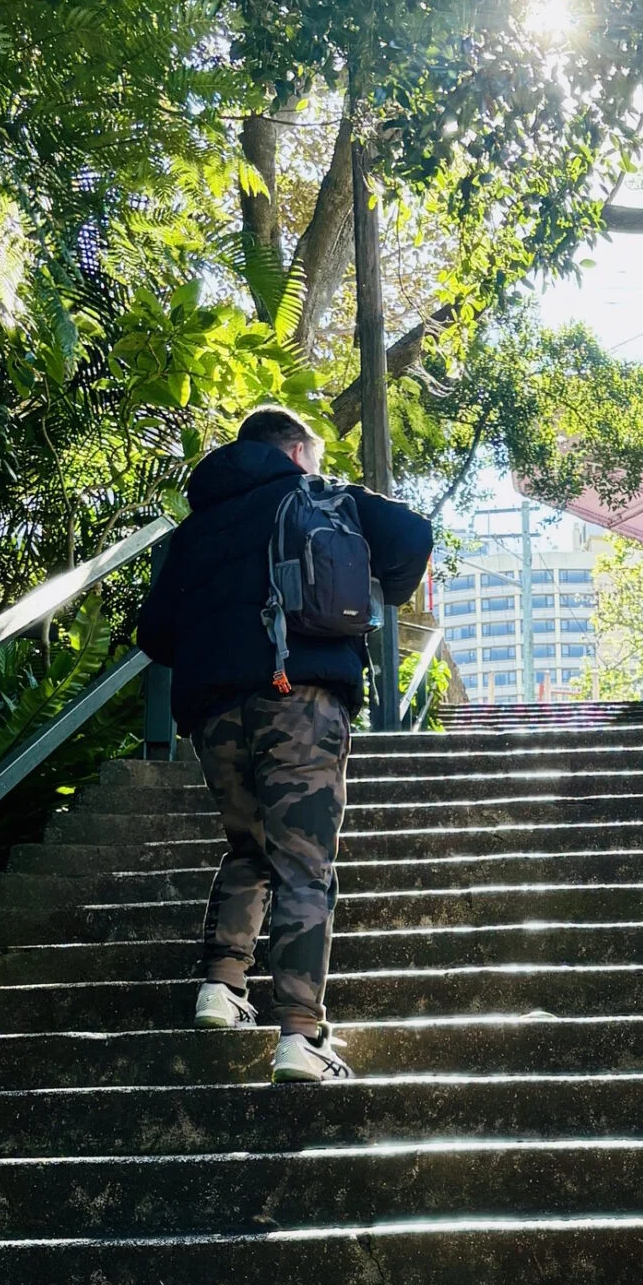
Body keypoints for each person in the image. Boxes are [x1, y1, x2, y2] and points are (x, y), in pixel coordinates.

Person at [136, 404, 432, 1081]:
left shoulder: (195, 527)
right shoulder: (319, 493)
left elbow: (154, 633)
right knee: (303, 862)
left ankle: (221, 986)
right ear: (296, 451)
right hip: (300, 698)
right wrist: (377, 588)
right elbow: (412, 534)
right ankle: (301, 1035)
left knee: (250, 848)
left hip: (215, 715)